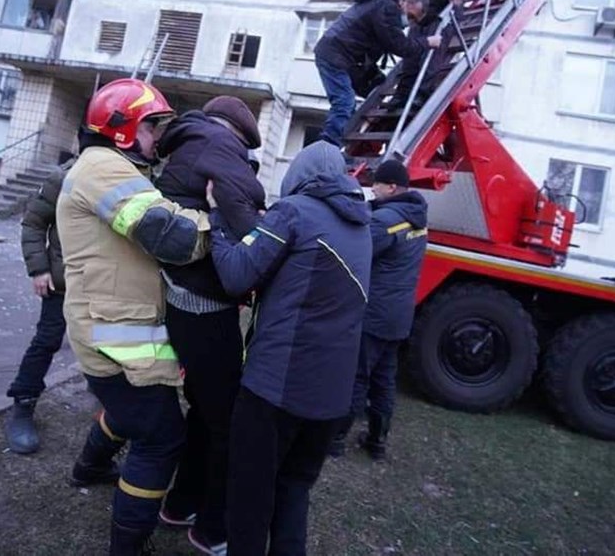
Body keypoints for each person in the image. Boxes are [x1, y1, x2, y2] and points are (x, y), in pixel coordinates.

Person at [57, 78, 211, 556]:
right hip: (117, 333)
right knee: (161, 436)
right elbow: (172, 238)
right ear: (122, 130)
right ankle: (127, 545)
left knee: (128, 413)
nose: (157, 137)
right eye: (152, 126)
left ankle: (88, 468)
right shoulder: (105, 168)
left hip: (107, 326)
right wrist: (217, 223)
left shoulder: (104, 166)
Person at [207, 141, 372, 556]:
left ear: (299, 178)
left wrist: (216, 219)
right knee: (293, 490)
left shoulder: (294, 211)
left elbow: (236, 275)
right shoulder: (361, 225)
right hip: (329, 398)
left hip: (275, 389)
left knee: (250, 497)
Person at [152, 96, 266, 555]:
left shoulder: (187, 143)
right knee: (228, 421)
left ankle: (181, 503)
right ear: (239, 134)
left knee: (203, 408)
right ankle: (212, 529)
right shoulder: (219, 146)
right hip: (206, 305)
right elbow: (251, 228)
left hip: (181, 295)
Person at [328, 160, 428, 461]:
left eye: (378, 184)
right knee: (385, 378)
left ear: (392, 187)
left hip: (375, 314)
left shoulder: (386, 221)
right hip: (399, 316)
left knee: (357, 375)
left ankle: (335, 439)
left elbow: (356, 250)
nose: (373, 188)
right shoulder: (418, 219)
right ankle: (377, 441)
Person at [4, 154, 77, 457]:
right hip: (61, 284)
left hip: (104, 286)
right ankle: (23, 405)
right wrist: (39, 269)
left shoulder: (131, 176)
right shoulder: (64, 177)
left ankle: (109, 415)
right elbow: (33, 223)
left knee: (107, 347)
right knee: (46, 341)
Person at [314, 0, 442, 146]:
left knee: (375, 85)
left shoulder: (383, 4)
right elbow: (399, 46)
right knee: (344, 101)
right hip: (336, 55)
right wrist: (427, 42)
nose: (410, 23)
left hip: (346, 56)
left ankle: (356, 129)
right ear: (404, 1)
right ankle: (328, 147)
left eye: (414, 21)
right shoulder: (388, 9)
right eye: (410, 16)